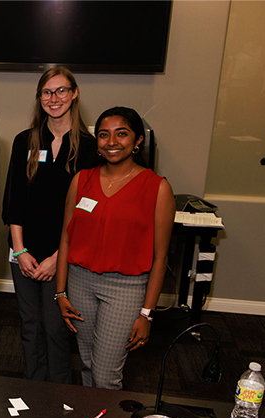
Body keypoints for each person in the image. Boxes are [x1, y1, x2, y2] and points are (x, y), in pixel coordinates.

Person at [55, 106, 175, 389]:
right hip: (80, 283)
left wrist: (147, 313)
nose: (111, 142)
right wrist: (60, 292)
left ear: (138, 141)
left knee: (106, 374)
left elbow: (160, 258)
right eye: (103, 135)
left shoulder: (157, 188)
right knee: (86, 364)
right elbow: (65, 238)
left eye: (122, 134)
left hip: (125, 289)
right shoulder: (81, 180)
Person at [2, 67, 96, 383]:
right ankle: (33, 388)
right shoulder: (24, 141)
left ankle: (59, 394)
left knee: (56, 327)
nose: (53, 98)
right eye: (46, 92)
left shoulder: (89, 146)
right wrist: (20, 250)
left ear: (74, 93)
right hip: (24, 251)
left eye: (60, 91)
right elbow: (13, 201)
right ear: (39, 97)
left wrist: (59, 257)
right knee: (29, 324)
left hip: (64, 255)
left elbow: (87, 211)